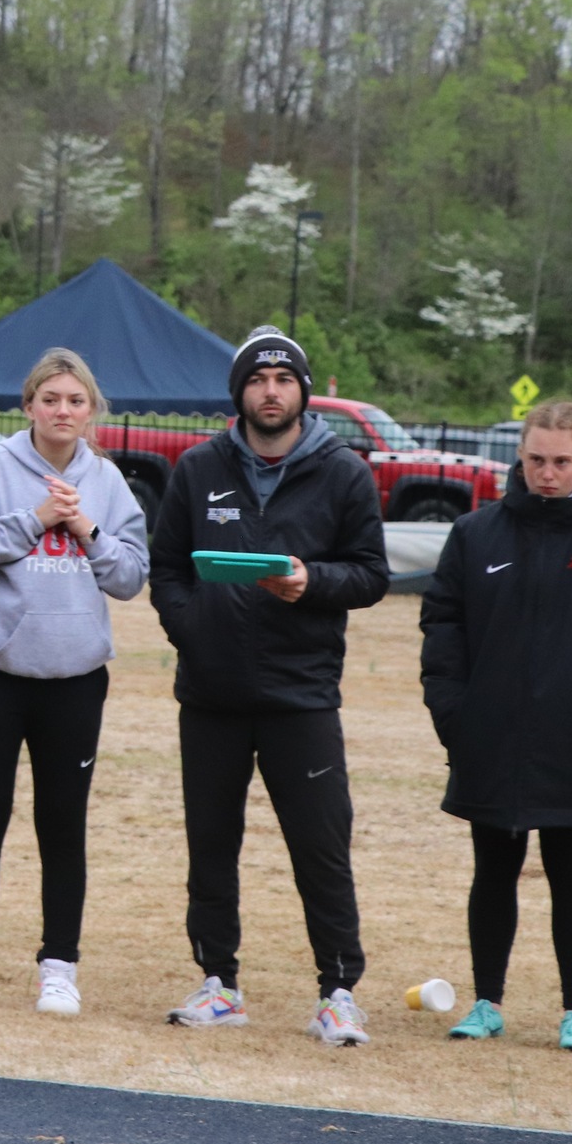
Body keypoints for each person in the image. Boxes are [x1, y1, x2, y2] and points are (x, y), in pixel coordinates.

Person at [146, 325, 389, 1046]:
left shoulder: (342, 471)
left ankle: (338, 990)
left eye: (283, 379)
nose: (270, 390)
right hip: (212, 695)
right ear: (239, 392)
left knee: (320, 845)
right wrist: (193, 628)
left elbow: (372, 574)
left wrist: (311, 581)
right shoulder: (197, 468)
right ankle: (218, 982)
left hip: (300, 694)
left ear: (302, 391)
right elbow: (166, 570)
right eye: (257, 379)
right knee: (209, 844)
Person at [419, 400, 572, 1055]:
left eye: (560, 460)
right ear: (520, 457)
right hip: (489, 739)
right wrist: (456, 719)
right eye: (535, 459)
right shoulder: (476, 535)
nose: (546, 473)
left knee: (571, 874)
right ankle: (485, 1001)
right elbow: (442, 632)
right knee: (491, 872)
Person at [0, 348, 148, 1016]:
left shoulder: (108, 482)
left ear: (91, 412)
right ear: (28, 405)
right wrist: (32, 519)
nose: (62, 410)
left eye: (75, 400)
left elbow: (129, 577)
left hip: (74, 677)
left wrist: (81, 525)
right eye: (50, 398)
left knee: (61, 822)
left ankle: (59, 963)